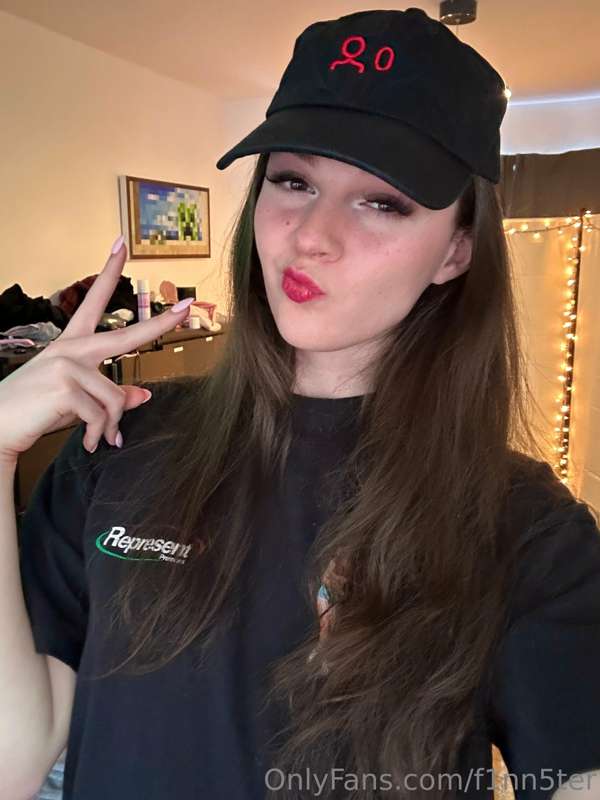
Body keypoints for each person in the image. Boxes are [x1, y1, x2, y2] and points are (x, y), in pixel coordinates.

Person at [1, 7, 599, 800]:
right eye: (293, 181)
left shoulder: (525, 528)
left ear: (456, 250)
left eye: (381, 202)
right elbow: (15, 763)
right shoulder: (118, 441)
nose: (312, 235)